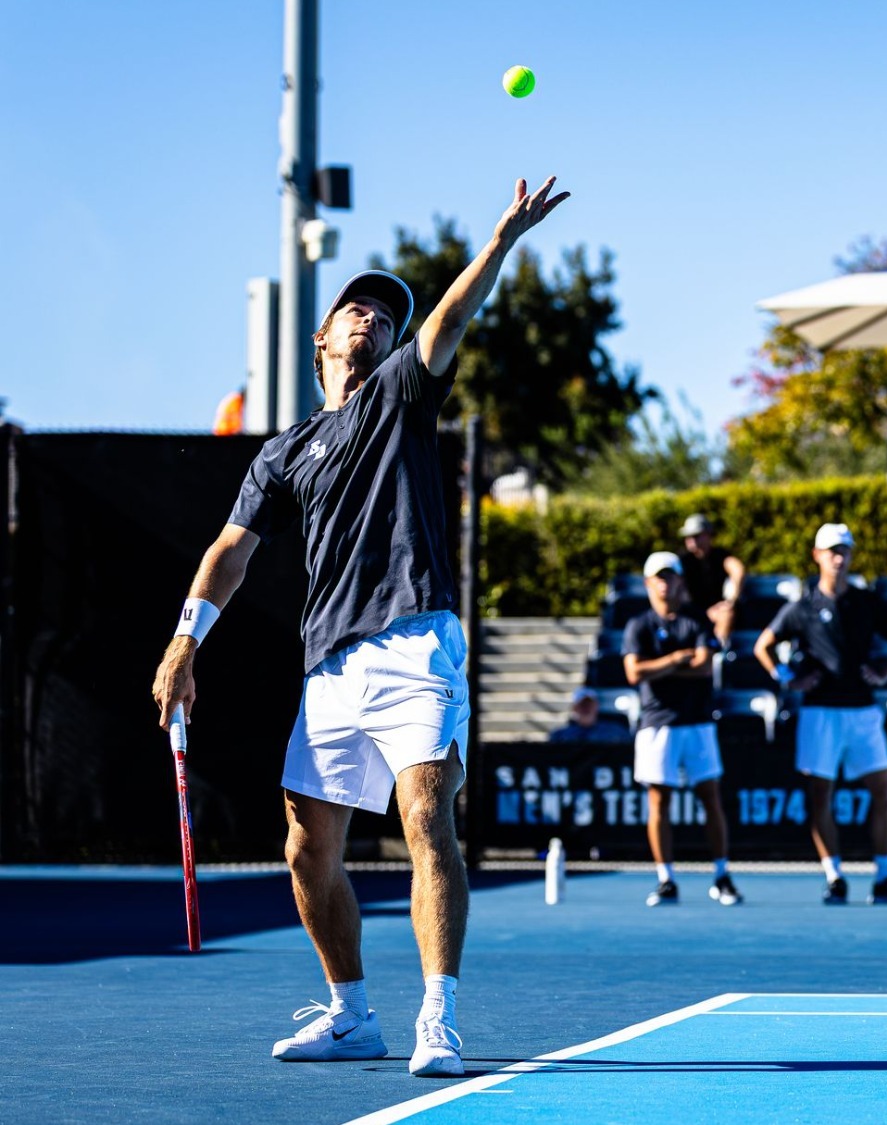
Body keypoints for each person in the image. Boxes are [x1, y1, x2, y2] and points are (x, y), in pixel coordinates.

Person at [149, 175, 570, 1077]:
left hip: (417, 639)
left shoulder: (401, 394)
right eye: (359, 310)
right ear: (323, 337)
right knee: (308, 846)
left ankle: (439, 1017)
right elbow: (231, 548)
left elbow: (449, 321)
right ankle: (351, 1013)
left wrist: (498, 244)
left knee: (425, 814)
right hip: (330, 663)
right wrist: (187, 640)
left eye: (387, 313)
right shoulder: (283, 450)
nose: (374, 319)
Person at [754, 523, 887, 905]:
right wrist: (787, 678)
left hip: (862, 710)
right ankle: (834, 876)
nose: (838, 558)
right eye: (831, 552)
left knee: (883, 791)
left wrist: (884, 672)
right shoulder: (803, 607)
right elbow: (764, 645)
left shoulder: (867, 601)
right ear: (817, 556)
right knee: (820, 795)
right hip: (820, 713)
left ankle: (883, 876)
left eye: (844, 551)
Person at [623, 551, 737, 908]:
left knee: (710, 797)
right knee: (659, 802)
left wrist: (658, 668)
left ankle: (721, 875)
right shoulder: (638, 626)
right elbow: (633, 672)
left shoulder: (696, 621)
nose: (664, 582)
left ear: (680, 581)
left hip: (697, 722)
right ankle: (666, 879)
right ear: (647, 584)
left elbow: (705, 667)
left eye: (670, 575)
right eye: (657, 576)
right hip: (657, 724)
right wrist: (675, 659)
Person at [548, 689, 629, 744]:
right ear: (574, 708)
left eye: (589, 705)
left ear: (596, 706)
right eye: (582, 705)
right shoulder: (560, 736)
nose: (586, 708)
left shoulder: (616, 732)